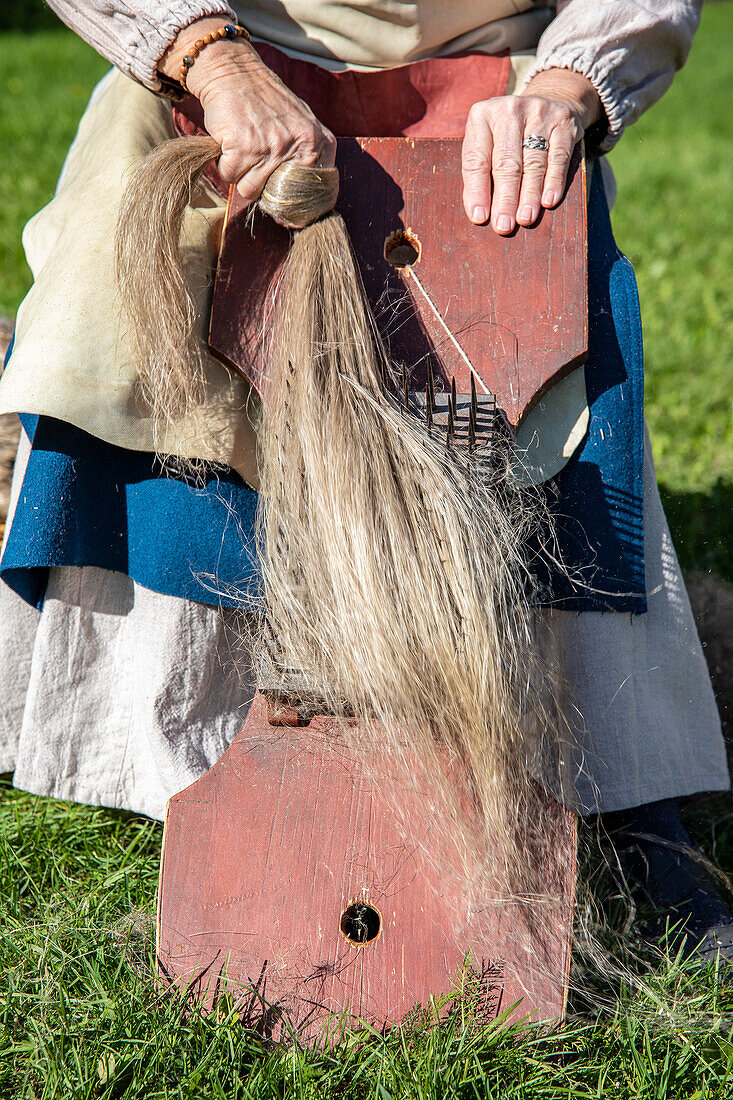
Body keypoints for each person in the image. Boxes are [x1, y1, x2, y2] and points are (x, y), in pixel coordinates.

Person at [0, 0, 729, 956]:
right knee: (128, 310)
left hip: (484, 82)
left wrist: (567, 85)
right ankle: (172, 740)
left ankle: (608, 778)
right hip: (223, 64)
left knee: (551, 333)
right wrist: (210, 59)